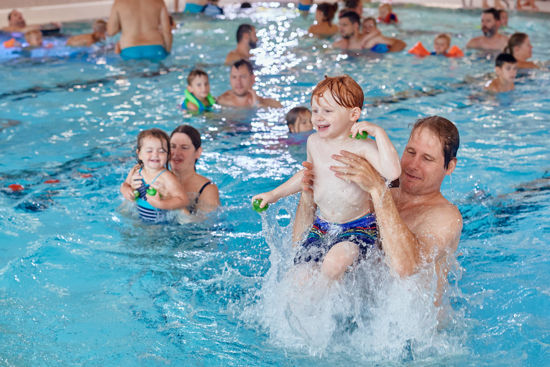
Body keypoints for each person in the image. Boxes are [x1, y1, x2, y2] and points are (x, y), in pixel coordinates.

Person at [295, 115, 462, 306]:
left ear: (449, 167)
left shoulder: (446, 216)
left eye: (427, 158)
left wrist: (378, 189)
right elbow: (300, 246)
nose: (413, 165)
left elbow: (405, 267)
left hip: (411, 333)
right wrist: (308, 193)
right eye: (410, 152)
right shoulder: (376, 190)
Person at [253, 75, 401, 281]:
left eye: (327, 111)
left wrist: (379, 132)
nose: (318, 117)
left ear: (353, 114)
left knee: (334, 264)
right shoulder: (314, 142)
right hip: (322, 227)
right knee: (299, 276)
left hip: (358, 227)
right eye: (315, 111)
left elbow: (393, 172)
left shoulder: (363, 146)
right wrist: (273, 194)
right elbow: (308, 176)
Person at [120, 128, 188, 223]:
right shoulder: (136, 170)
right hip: (140, 216)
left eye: (161, 151)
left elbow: (183, 200)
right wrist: (126, 190)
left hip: (161, 222)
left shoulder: (167, 177)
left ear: (168, 155)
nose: (155, 154)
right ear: (139, 154)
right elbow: (125, 184)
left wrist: (160, 204)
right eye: (149, 151)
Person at [170, 125, 220, 214]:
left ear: (198, 152)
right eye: (173, 146)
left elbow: (205, 225)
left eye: (184, 147)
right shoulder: (158, 179)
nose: (176, 153)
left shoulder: (207, 190)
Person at [107, 0, 172, 61]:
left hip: (129, 50)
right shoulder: (159, 1)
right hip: (155, 49)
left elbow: (111, 31)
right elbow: (167, 31)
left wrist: (124, 24)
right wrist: (167, 51)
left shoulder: (119, 2)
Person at [217, 59, 283, 108]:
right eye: (234, 77)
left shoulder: (266, 103)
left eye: (243, 77)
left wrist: (258, 104)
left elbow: (280, 108)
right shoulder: (221, 101)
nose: (238, 82)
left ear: (252, 79)